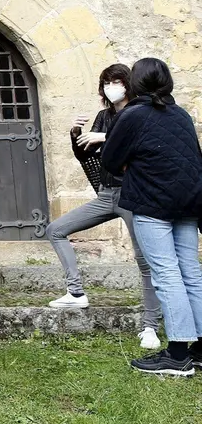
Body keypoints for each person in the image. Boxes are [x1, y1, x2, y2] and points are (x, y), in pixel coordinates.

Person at [46, 64, 161, 350]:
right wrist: (76, 133)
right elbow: (87, 152)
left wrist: (107, 138)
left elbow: (142, 147)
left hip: (132, 194)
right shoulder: (104, 115)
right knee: (56, 229)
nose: (112, 87)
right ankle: (75, 293)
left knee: (143, 260)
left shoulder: (140, 113)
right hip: (107, 194)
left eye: (117, 81)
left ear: (129, 84)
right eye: (107, 82)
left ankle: (151, 326)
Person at [103, 58, 202, 377]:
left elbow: (109, 160)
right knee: (190, 272)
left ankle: (176, 356)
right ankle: (199, 349)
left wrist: (131, 164)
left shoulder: (133, 115)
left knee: (166, 273)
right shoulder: (181, 114)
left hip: (151, 203)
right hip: (188, 203)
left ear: (135, 84)